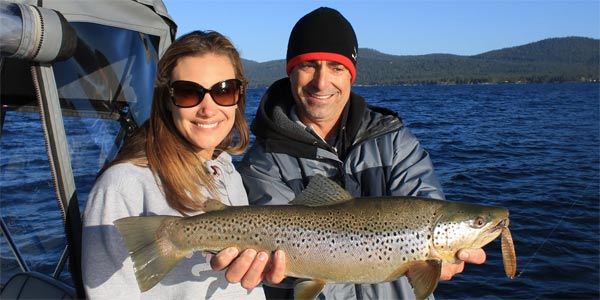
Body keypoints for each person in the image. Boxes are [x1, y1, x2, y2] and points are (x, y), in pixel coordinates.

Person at [213, 7, 487, 300]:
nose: (321, 82)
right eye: (308, 65)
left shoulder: (394, 143)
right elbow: (278, 265)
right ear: (290, 72)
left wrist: (444, 259)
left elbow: (427, 206)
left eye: (336, 67)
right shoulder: (263, 163)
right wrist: (274, 274)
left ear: (351, 75)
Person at [81, 30, 270, 299]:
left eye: (224, 91)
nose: (208, 107)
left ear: (239, 96)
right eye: (188, 93)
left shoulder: (228, 171)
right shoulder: (123, 185)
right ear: (168, 99)